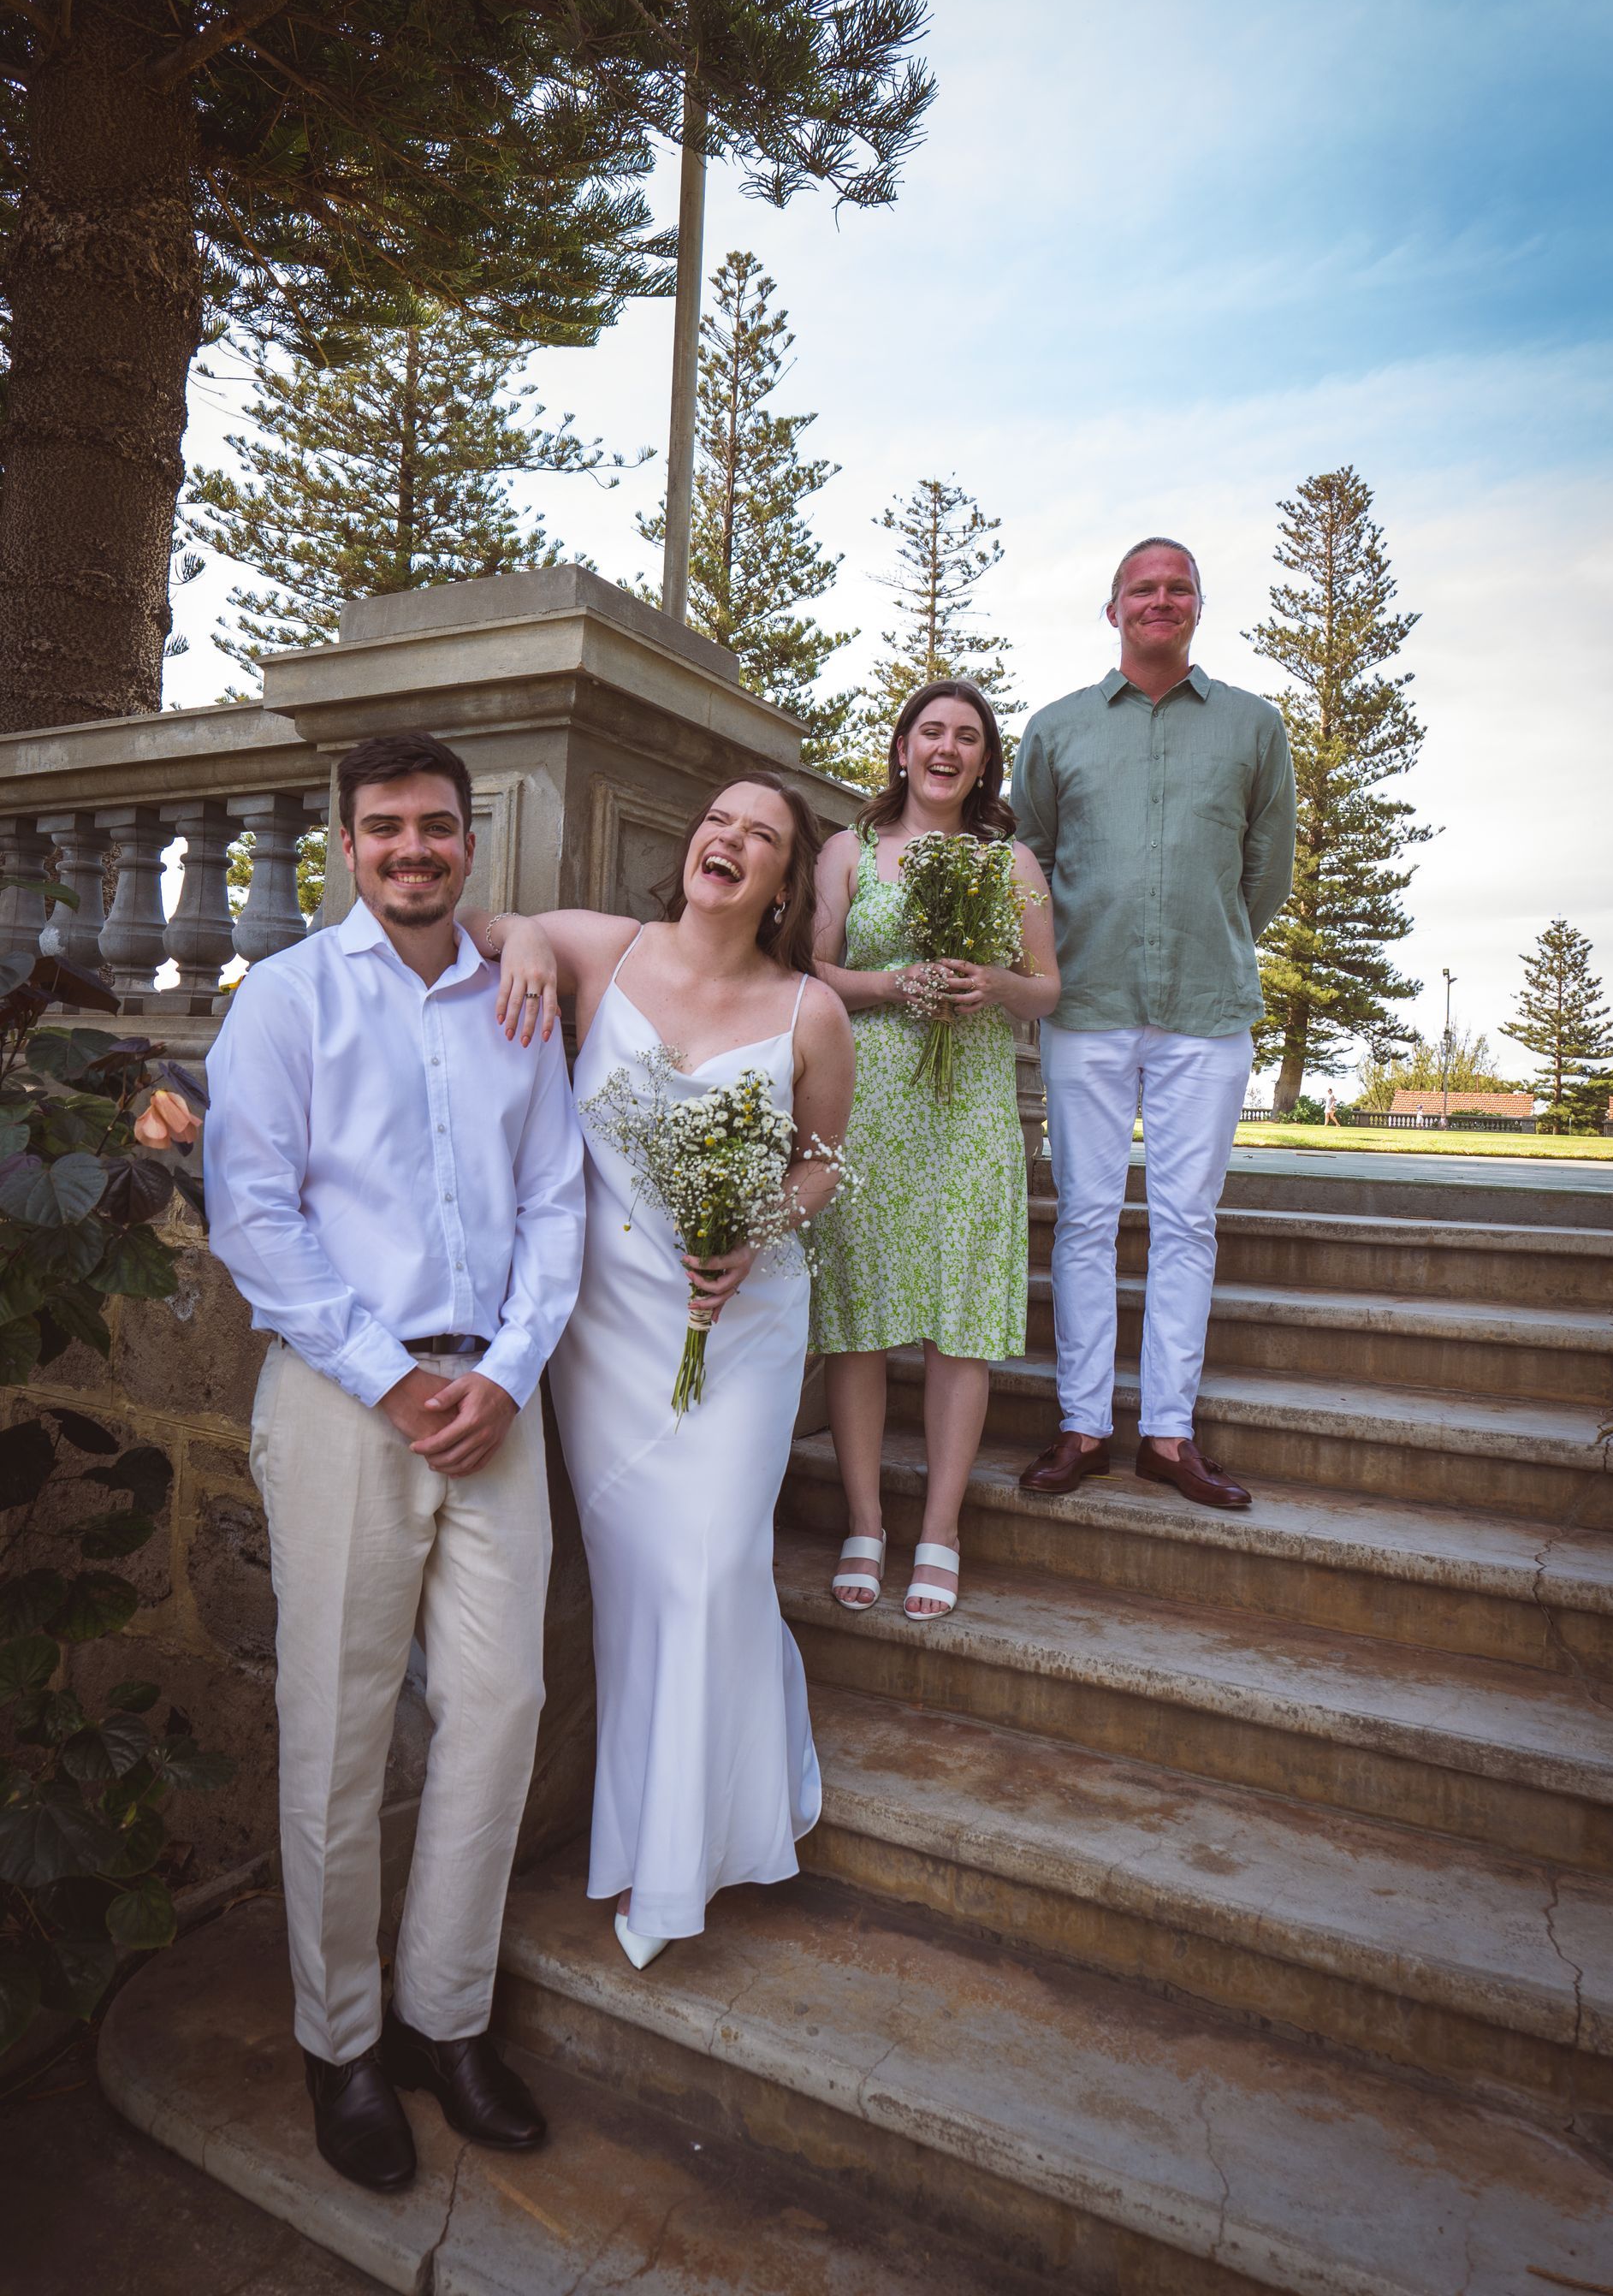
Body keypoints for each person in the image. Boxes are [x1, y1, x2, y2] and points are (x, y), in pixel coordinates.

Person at [205, 730, 586, 2195]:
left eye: (436, 826)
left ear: (468, 842)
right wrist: (388, 1379)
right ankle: (342, 2043)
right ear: (347, 846)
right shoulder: (290, 999)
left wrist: (504, 1372)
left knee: (500, 1709)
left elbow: (555, 1200)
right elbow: (254, 1216)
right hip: (344, 1402)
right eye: (385, 828)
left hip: (494, 1395)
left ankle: (445, 2018)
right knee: (340, 1729)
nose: (413, 849)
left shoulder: (516, 997)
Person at [483, 774, 855, 1971]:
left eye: (764, 836)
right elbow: (479, 928)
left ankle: (681, 1865)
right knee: (654, 1584)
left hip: (740, 1325)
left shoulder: (810, 1013)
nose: (730, 840)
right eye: (717, 821)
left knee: (712, 1563)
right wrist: (534, 939)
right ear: (691, 845)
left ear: (785, 881)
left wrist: (756, 1231)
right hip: (612, 1331)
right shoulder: (608, 947)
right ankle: (720, 1803)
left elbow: (823, 1165)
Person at [1011, 539, 1296, 1510]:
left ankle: (1168, 1436)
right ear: (1114, 610)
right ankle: (1083, 1427)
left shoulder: (1256, 728)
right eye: (1144, 588)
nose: (1160, 600)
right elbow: (1030, 863)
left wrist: (1207, 938)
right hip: (1084, 1008)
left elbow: (1268, 872)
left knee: (1187, 1223)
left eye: (1178, 588)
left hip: (1207, 1012)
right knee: (1085, 1218)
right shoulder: (1054, 731)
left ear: (1199, 608)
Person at [808, 680, 1059, 1621]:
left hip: (973, 1109)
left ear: (984, 759)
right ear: (903, 748)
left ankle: (940, 1529)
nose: (948, 748)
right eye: (931, 732)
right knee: (860, 1317)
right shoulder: (849, 853)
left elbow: (1048, 990)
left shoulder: (1010, 861)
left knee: (962, 1316)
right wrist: (893, 982)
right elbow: (811, 968)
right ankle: (866, 1520)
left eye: (968, 736)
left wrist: (990, 981)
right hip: (868, 1099)